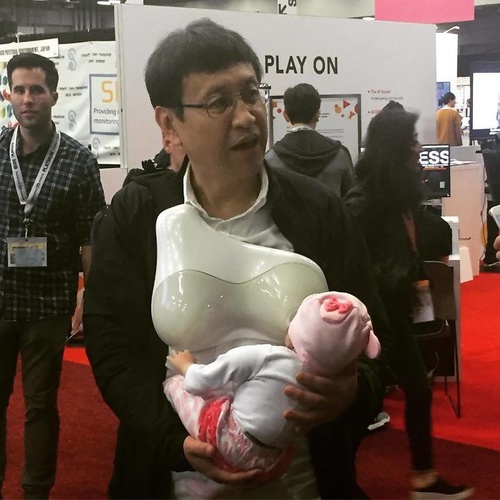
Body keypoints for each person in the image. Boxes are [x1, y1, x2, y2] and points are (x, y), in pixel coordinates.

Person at [83, 18, 393, 499]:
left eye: (251, 93)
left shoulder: (316, 210)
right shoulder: (140, 214)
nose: (247, 117)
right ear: (169, 125)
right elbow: (112, 346)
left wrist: (353, 391)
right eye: (218, 102)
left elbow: (375, 334)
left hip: (303, 485)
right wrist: (174, 441)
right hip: (174, 481)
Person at [344, 107, 473, 499]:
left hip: (395, 309)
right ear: (395, 147)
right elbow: (352, 262)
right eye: (412, 141)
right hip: (373, 316)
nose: (419, 147)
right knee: (362, 401)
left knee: (414, 390)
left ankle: (424, 476)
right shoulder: (363, 200)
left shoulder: (396, 193)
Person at [0, 52, 105, 499]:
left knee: (40, 405)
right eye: (20, 90)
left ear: (55, 96)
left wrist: (91, 299)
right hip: (0, 299)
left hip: (47, 303)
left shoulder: (79, 162)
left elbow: (89, 238)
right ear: (8, 95)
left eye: (37, 90)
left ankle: (35, 492)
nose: (28, 99)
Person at [165, 291, 380, 484]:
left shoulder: (268, 356)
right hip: (274, 462)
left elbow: (200, 381)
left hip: (227, 441)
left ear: (292, 332)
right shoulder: (323, 383)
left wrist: (185, 367)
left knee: (176, 385)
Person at [265, 83, 354, 197]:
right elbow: (351, 200)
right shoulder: (340, 155)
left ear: (285, 115)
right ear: (317, 114)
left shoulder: (270, 160)